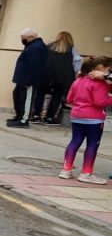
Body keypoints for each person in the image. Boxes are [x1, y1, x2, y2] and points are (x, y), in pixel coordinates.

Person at [58, 56, 111, 184]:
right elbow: (100, 102)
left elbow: (69, 99)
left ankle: (66, 170)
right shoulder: (100, 83)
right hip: (94, 119)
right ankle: (86, 173)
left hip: (77, 116)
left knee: (74, 142)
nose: (110, 72)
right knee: (92, 144)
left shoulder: (78, 80)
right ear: (100, 68)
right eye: (109, 69)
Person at [8, 28, 48, 128]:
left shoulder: (35, 47)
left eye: (23, 38)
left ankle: (23, 120)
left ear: (31, 37)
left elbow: (34, 66)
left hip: (28, 80)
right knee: (18, 96)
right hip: (22, 79)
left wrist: (29, 80)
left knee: (26, 99)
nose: (22, 40)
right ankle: (19, 116)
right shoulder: (32, 45)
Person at [40, 31, 80, 124]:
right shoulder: (72, 49)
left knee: (42, 95)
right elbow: (77, 63)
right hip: (64, 78)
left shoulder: (49, 46)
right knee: (57, 97)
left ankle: (38, 115)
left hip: (47, 76)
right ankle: (50, 117)